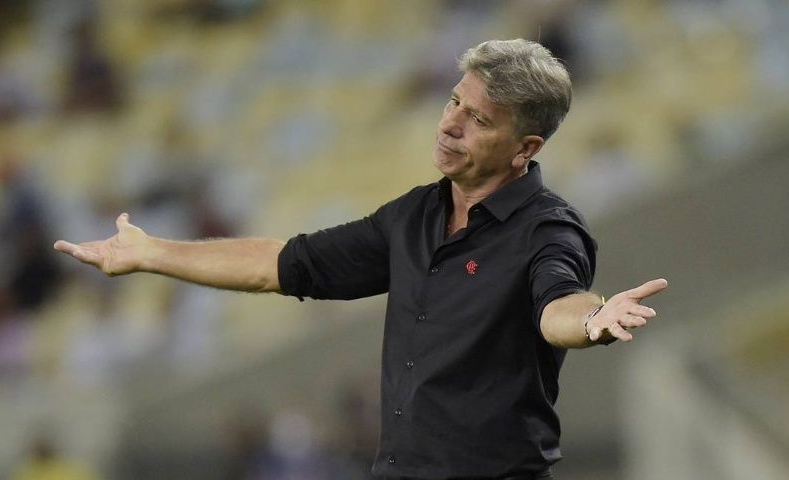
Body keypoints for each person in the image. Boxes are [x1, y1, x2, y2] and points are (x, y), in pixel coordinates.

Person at [54, 39, 668, 480]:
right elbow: (281, 265)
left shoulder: (548, 229)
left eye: (478, 119)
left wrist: (592, 320)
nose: (449, 125)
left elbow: (558, 305)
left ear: (524, 148)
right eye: (453, 101)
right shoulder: (413, 215)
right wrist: (154, 252)